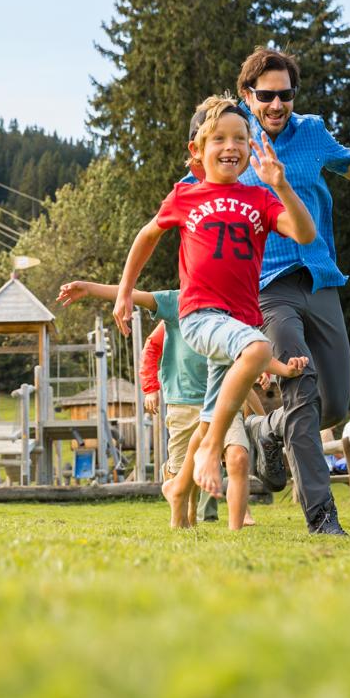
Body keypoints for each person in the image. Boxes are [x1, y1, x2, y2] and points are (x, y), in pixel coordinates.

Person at [198, 47, 350, 535]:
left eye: (286, 95)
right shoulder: (236, 139)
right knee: (301, 390)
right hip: (267, 286)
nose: (277, 105)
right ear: (246, 95)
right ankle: (322, 515)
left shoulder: (312, 132)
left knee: (334, 403)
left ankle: (268, 431)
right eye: (266, 96)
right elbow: (204, 186)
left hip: (319, 276)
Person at [111, 94, 316, 505]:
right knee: (258, 349)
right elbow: (147, 236)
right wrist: (123, 292)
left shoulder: (261, 199)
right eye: (219, 139)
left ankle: (178, 489)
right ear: (197, 151)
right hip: (202, 315)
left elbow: (305, 233)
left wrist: (281, 184)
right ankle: (207, 451)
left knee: (210, 417)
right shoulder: (186, 196)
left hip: (240, 321)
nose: (231, 147)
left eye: (240, 138)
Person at [57, 282, 256, 530]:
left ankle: (239, 525)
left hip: (221, 400)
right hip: (183, 401)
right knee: (184, 468)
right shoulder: (177, 303)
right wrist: (89, 288)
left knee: (237, 457)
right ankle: (184, 504)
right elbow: (139, 305)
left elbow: (249, 345)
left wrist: (263, 367)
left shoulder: (234, 304)